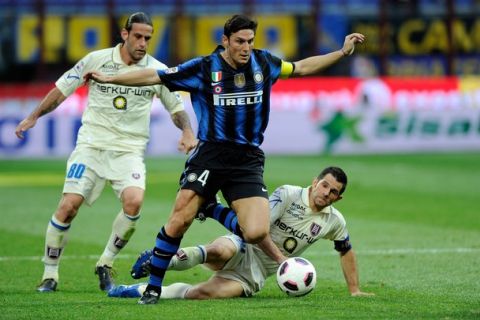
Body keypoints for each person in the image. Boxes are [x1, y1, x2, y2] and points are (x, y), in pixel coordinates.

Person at [86, 14, 366, 304]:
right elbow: (155, 76)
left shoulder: (265, 62)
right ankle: (154, 288)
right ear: (225, 41)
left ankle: (212, 208)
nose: (246, 47)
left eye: (250, 41)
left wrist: (342, 52)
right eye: (240, 42)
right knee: (180, 220)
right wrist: (110, 77)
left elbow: (301, 67)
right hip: (211, 154)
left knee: (256, 231)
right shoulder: (204, 67)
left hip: (247, 160)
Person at [14, 12, 197, 293]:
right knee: (68, 206)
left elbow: (177, 108)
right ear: (125, 34)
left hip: (129, 150)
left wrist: (186, 131)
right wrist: (33, 116)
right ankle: (50, 274)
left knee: (134, 202)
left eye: (148, 38)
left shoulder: (156, 70)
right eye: (138, 36)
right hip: (91, 146)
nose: (143, 43)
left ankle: (105, 263)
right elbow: (61, 89)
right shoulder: (96, 59)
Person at [109, 166, 374, 299]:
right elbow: (253, 231)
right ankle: (160, 259)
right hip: (245, 245)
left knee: (200, 295)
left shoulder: (334, 221)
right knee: (219, 250)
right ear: (315, 182)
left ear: (338, 198)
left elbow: (345, 249)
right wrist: (284, 262)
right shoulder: (288, 194)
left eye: (333, 192)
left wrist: (354, 289)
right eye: (324, 185)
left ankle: (133, 290)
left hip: (255, 274)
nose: (326, 193)